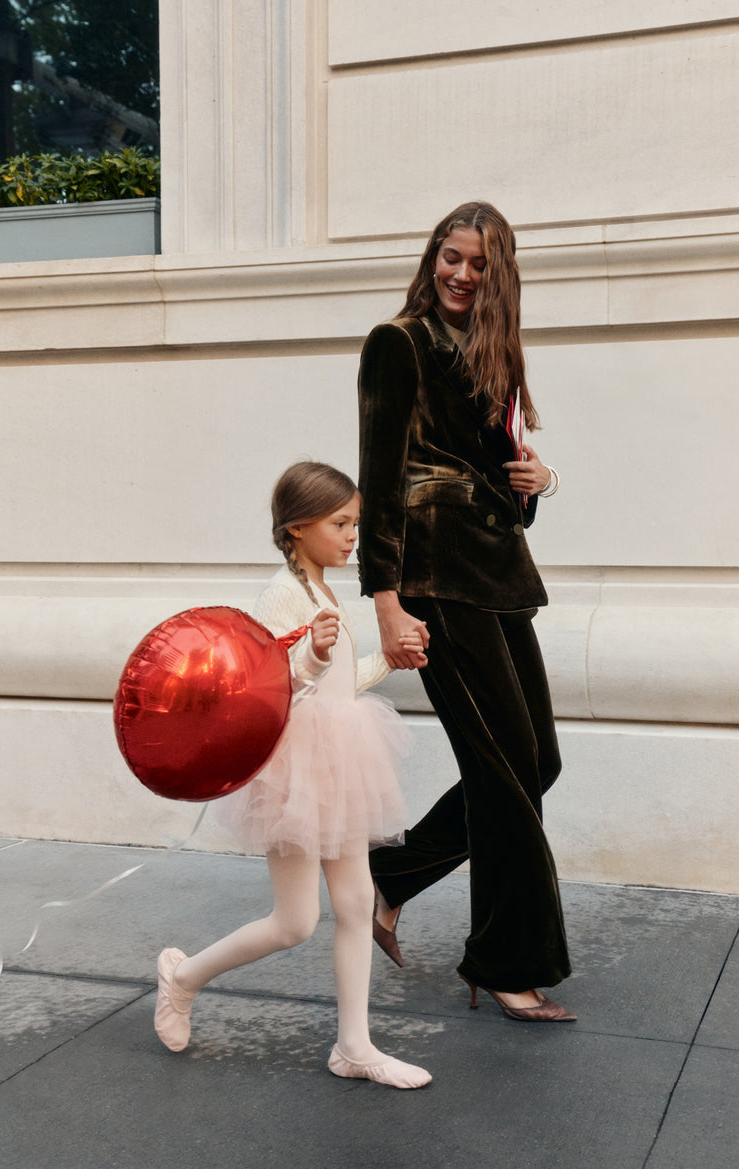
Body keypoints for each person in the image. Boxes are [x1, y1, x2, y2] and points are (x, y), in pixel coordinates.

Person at [357, 201, 575, 1022]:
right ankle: (505, 962)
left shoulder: (495, 356)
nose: (459, 273)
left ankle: (390, 877)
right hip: (436, 579)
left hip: (498, 575)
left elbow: (507, 492)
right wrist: (385, 600)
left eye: (478, 264)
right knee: (507, 773)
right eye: (451, 256)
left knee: (536, 763)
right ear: (432, 257)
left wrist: (537, 483)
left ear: (498, 276)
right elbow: (379, 478)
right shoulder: (398, 343)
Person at [154, 461, 432, 1088]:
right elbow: (264, 690)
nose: (352, 535)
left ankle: (354, 1047)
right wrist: (310, 653)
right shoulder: (279, 595)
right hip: (295, 769)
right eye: (341, 523)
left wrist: (386, 659)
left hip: (339, 758)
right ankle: (184, 976)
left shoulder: (325, 591)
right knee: (295, 922)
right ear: (300, 528)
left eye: (355, 523)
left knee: (359, 901)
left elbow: (337, 686)